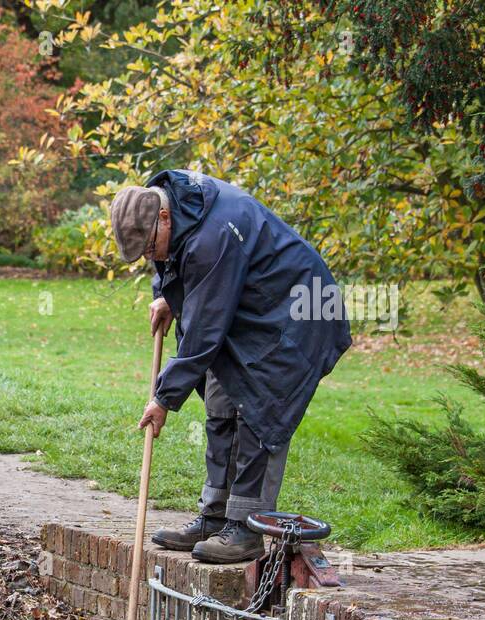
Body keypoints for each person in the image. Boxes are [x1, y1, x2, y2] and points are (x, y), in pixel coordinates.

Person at [109, 170, 352, 563]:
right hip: (249, 305)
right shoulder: (174, 209)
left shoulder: (214, 235)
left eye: (151, 247)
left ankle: (247, 528)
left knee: (260, 409)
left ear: (164, 218)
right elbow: (172, 264)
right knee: (222, 403)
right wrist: (166, 295)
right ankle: (215, 516)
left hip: (298, 314)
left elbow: (205, 330)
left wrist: (164, 398)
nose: (152, 258)